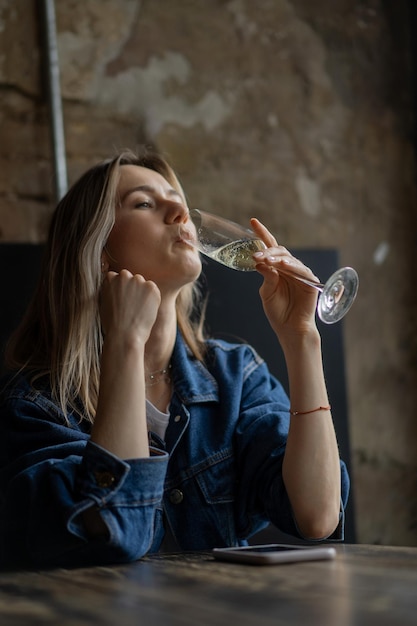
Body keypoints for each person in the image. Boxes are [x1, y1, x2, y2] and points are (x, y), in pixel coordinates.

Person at [0, 148, 349, 568]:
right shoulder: (37, 407)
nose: (179, 210)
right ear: (97, 251)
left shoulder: (235, 376)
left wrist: (302, 338)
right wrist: (126, 341)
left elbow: (317, 516)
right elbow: (116, 533)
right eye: (144, 203)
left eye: (176, 198)